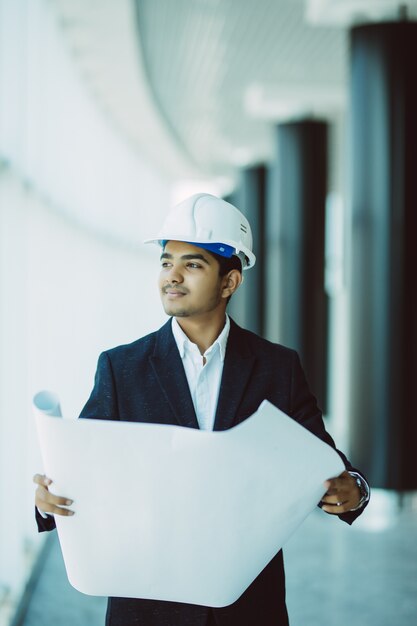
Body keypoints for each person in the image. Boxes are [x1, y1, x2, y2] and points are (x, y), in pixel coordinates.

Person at [34, 193, 370, 626]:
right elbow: (80, 467)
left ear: (230, 282)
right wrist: (46, 499)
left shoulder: (277, 368)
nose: (171, 276)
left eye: (191, 264)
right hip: (148, 605)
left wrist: (353, 489)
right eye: (165, 262)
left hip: (247, 606)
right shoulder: (121, 368)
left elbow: (325, 462)